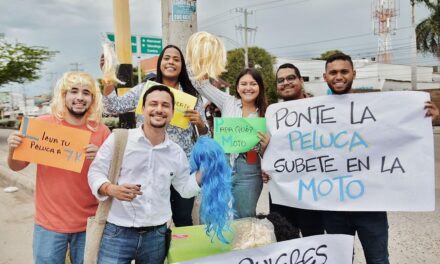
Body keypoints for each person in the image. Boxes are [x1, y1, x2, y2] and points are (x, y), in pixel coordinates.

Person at [321, 52, 439, 264]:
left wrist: (424, 121)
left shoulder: (376, 107)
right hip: (334, 209)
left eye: (344, 71)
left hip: (371, 208)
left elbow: (396, 133)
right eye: (333, 72)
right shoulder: (313, 112)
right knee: (339, 261)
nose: (339, 76)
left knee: (378, 260)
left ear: (353, 74)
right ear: (325, 77)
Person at [88, 85, 202, 264]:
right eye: (153, 104)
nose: (159, 109)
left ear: (172, 113)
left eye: (165, 105)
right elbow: (95, 171)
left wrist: (204, 172)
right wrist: (111, 189)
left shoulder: (176, 152)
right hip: (117, 232)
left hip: (156, 236)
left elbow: (185, 189)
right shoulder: (119, 139)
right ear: (143, 109)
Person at [7, 71, 111, 264]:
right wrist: (13, 149)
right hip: (49, 224)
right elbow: (16, 166)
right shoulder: (43, 125)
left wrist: (101, 157)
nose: (80, 97)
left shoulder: (102, 131)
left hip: (88, 224)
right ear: (64, 96)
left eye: (86, 93)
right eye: (74, 91)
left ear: (93, 99)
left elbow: (112, 176)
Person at [102, 45, 209, 227]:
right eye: (167, 58)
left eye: (176, 59)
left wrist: (200, 123)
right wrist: (108, 76)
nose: (171, 62)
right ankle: (154, 252)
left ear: (182, 66)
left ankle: (182, 256)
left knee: (183, 219)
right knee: (147, 219)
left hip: (181, 166)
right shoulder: (145, 89)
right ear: (160, 63)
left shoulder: (191, 95)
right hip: (147, 163)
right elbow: (113, 106)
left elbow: (206, 133)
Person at [195, 67, 268, 219]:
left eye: (253, 84)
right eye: (244, 84)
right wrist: (204, 58)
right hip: (222, 165)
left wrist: (265, 145)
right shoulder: (228, 102)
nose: (248, 88)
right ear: (237, 87)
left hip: (249, 168)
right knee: (211, 214)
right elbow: (201, 85)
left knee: (245, 218)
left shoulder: (266, 113)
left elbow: (267, 153)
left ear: (260, 87)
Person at [265, 63, 325, 238]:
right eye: (280, 80)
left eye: (291, 78)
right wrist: (265, 167)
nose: (285, 83)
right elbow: (267, 149)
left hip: (312, 192)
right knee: (285, 241)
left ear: (301, 81)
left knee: (313, 241)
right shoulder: (272, 114)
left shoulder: (320, 110)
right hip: (282, 192)